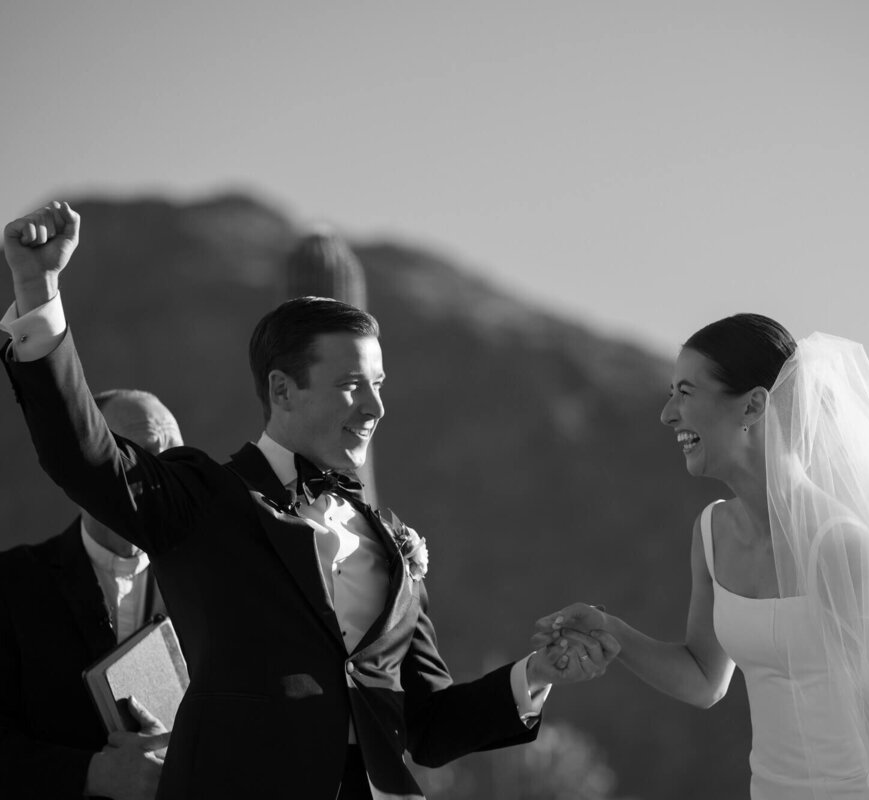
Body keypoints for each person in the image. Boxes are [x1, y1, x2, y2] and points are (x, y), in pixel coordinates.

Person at [1, 201, 618, 800]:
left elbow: (427, 726)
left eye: (378, 386)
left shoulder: (389, 542)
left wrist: (537, 674)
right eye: (352, 386)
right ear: (282, 390)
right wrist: (39, 291)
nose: (375, 409)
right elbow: (83, 456)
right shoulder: (206, 501)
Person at [537, 314, 869, 799]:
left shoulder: (841, 546)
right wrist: (613, 632)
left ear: (753, 404)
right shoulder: (711, 533)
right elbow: (704, 679)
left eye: (686, 392)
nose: (667, 413)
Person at [0, 389, 181, 800]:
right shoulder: (13, 585)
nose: (162, 478)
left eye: (175, 461)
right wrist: (92, 773)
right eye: (141, 456)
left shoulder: (214, 586)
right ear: (81, 468)